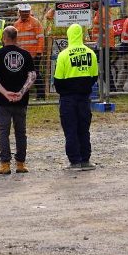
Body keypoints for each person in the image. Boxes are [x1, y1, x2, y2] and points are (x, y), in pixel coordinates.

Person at [0, 26, 36, 175]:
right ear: (17, 38)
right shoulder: (26, 55)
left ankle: (5, 164)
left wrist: (4, 92)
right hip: (21, 100)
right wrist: (21, 93)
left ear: (4, 38)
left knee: (4, 132)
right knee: (21, 132)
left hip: (3, 100)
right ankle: (20, 164)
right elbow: (32, 76)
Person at [54, 23, 99, 170]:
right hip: (84, 97)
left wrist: (65, 91)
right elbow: (94, 76)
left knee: (70, 129)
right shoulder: (90, 53)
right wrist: (84, 88)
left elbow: (58, 81)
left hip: (68, 98)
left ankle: (74, 161)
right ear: (82, 35)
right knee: (84, 128)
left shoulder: (63, 55)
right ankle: (85, 159)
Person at [13, 4, 45, 99]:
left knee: (36, 74)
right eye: (24, 11)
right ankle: (22, 94)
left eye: (27, 11)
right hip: (21, 56)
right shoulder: (16, 24)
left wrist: (39, 52)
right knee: (22, 75)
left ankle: (41, 95)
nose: (26, 13)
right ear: (19, 12)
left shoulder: (35, 23)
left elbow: (40, 38)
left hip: (34, 55)